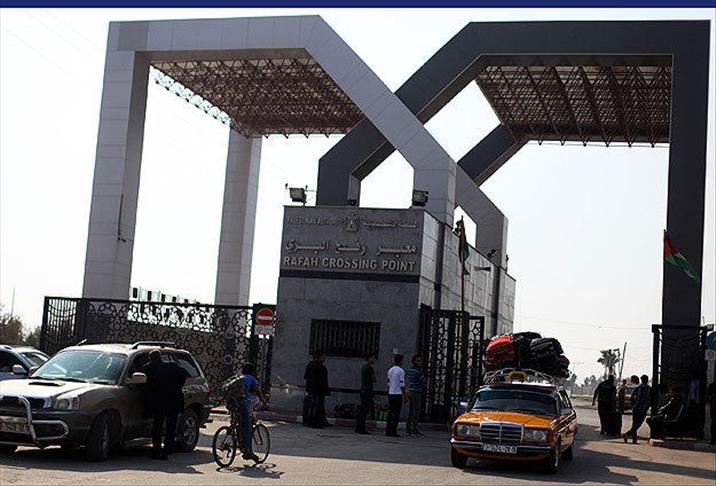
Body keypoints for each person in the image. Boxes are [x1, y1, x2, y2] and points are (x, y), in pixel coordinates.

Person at [141, 350, 188, 460]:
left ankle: (157, 450)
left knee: (157, 427)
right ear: (160, 357)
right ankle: (168, 449)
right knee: (171, 427)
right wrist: (178, 386)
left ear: (150, 359)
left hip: (159, 402)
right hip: (173, 400)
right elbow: (184, 374)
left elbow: (141, 382)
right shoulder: (172, 366)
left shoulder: (148, 368)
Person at [304, 351, 331, 428]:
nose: (324, 359)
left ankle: (320, 421)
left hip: (318, 390)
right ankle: (312, 422)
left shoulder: (319, 366)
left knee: (319, 406)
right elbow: (312, 379)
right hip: (316, 390)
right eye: (323, 357)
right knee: (314, 406)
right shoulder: (314, 366)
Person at [623, 374, 651, 444]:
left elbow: (632, 397)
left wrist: (633, 405)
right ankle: (631, 437)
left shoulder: (638, 388)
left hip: (636, 408)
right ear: (647, 380)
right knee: (637, 424)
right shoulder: (649, 389)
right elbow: (651, 400)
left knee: (635, 424)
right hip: (643, 409)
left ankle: (631, 437)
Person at [355, 353, 377, 435]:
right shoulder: (370, 368)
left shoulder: (364, 367)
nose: (374, 360)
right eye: (373, 358)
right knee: (365, 410)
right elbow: (374, 379)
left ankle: (358, 427)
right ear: (369, 358)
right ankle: (361, 428)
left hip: (363, 390)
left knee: (362, 409)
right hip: (368, 390)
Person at [406, 355, 427, 436]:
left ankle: (408, 428)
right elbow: (423, 382)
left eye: (420, 361)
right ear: (414, 361)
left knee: (411, 411)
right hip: (416, 392)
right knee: (416, 411)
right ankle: (414, 429)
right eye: (418, 361)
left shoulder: (410, 370)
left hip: (411, 391)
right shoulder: (418, 371)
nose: (420, 362)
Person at [386, 354, 407, 438]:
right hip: (398, 393)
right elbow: (402, 384)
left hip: (391, 393)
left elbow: (388, 382)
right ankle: (393, 430)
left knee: (390, 412)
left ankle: (388, 429)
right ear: (400, 361)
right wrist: (405, 395)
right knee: (396, 413)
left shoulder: (390, 370)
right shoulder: (401, 371)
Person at [706, 371, 716, 445]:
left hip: (713, 407)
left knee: (713, 423)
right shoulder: (712, 386)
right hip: (713, 407)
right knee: (713, 423)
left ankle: (713, 440)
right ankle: (713, 440)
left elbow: (708, 397)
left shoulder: (712, 385)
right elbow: (708, 396)